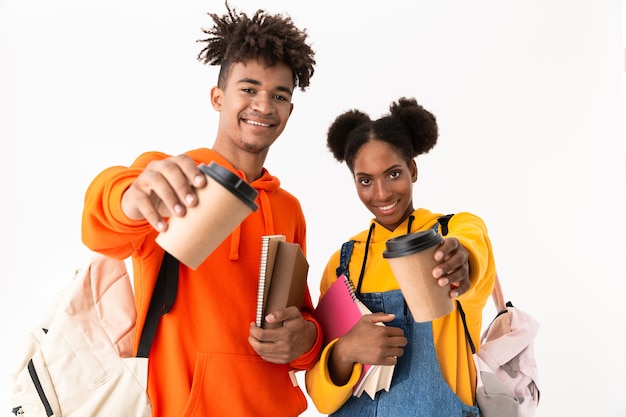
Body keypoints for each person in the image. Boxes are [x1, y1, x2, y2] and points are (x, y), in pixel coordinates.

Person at [81, 3, 322, 416]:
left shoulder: (288, 209)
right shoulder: (176, 175)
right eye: (248, 89)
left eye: (278, 95)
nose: (263, 106)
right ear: (217, 97)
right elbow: (103, 224)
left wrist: (306, 340)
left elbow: (301, 319)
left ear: (290, 110)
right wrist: (131, 195)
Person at [305, 97, 496, 416]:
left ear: (413, 169)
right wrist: (345, 352)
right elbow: (323, 400)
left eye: (393, 174)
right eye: (365, 180)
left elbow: (472, 255)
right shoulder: (342, 263)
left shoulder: (452, 231)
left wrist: (461, 261)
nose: (381, 194)